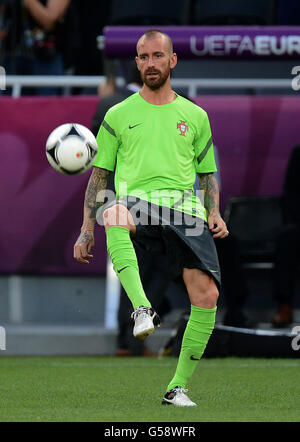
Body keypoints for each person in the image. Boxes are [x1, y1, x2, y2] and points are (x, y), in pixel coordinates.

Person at [74, 29, 228, 407]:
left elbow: (207, 174)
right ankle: (142, 309)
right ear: (137, 62)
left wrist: (214, 212)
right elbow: (99, 177)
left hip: (185, 212)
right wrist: (85, 230)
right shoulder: (118, 114)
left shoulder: (195, 116)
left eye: (158, 56)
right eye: (143, 57)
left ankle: (177, 388)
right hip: (139, 203)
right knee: (113, 209)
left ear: (172, 61)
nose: (150, 63)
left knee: (207, 297)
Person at [271, 144, 300, 327]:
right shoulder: (298, 153)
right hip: (299, 223)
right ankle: (284, 305)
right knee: (286, 239)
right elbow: (291, 194)